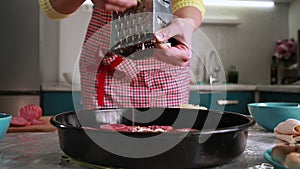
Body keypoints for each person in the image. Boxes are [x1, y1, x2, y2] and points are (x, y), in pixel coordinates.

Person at [38, 0, 206, 109]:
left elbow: (189, 2)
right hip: (106, 67)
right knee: (104, 150)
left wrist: (187, 23)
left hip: (166, 66)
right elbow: (53, 8)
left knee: (167, 150)